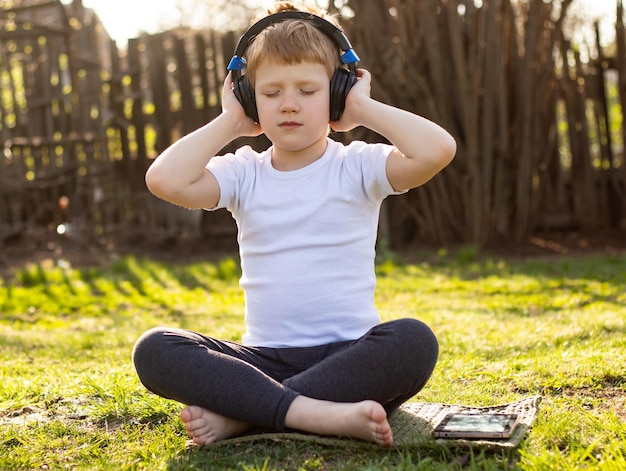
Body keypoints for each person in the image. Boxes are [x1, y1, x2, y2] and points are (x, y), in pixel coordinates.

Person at [132, 1, 456, 447]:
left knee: (414, 340)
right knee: (155, 348)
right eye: (270, 94)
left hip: (349, 358)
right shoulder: (244, 172)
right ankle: (313, 413)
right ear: (249, 99)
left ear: (336, 93)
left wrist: (363, 108)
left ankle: (248, 417)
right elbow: (163, 179)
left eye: (308, 90)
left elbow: (437, 150)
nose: (289, 105)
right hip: (262, 362)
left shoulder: (358, 166)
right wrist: (229, 122)